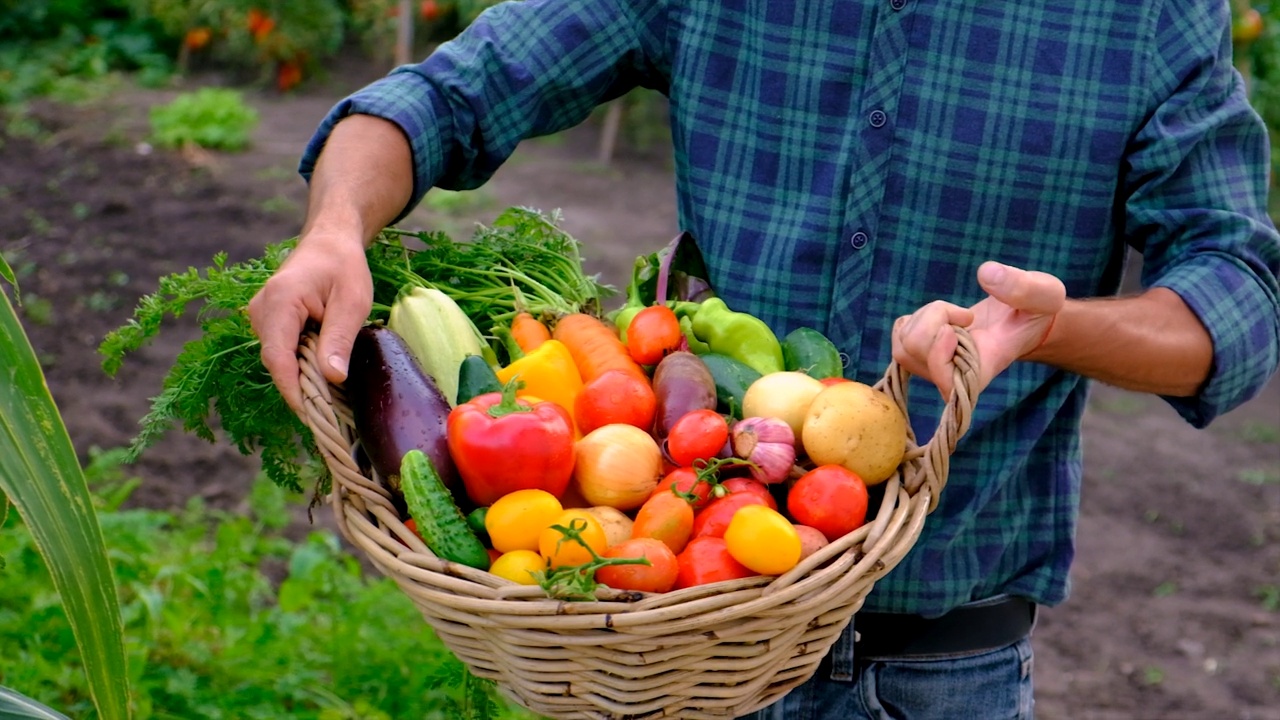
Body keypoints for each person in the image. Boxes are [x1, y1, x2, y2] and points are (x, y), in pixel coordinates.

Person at [247, 1, 1280, 717]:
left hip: (930, 672)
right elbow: (452, 93)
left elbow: (1234, 296)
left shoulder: (1144, 12)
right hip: (663, 641)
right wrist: (336, 226)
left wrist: (1053, 328)